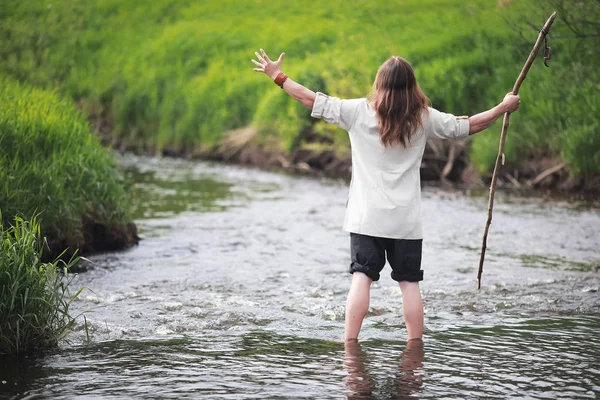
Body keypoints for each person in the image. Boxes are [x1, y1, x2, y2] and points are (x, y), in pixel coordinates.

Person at [251, 49, 520, 341]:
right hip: (405, 221)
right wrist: (502, 107)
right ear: (412, 86)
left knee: (361, 279)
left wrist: (277, 76)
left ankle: (349, 343)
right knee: (409, 283)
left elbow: (308, 98)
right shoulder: (424, 119)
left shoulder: (356, 112)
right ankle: (415, 346)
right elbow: (468, 126)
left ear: (379, 84)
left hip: (367, 219)